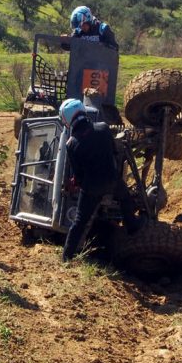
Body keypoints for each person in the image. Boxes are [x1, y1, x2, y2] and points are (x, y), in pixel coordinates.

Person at [58, 98, 138, 261]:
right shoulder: (103, 128)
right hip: (112, 180)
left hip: (91, 188)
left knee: (79, 222)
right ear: (83, 111)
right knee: (125, 199)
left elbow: (78, 174)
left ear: (67, 119)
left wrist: (78, 184)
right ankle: (132, 227)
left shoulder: (71, 143)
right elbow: (115, 153)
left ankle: (66, 258)